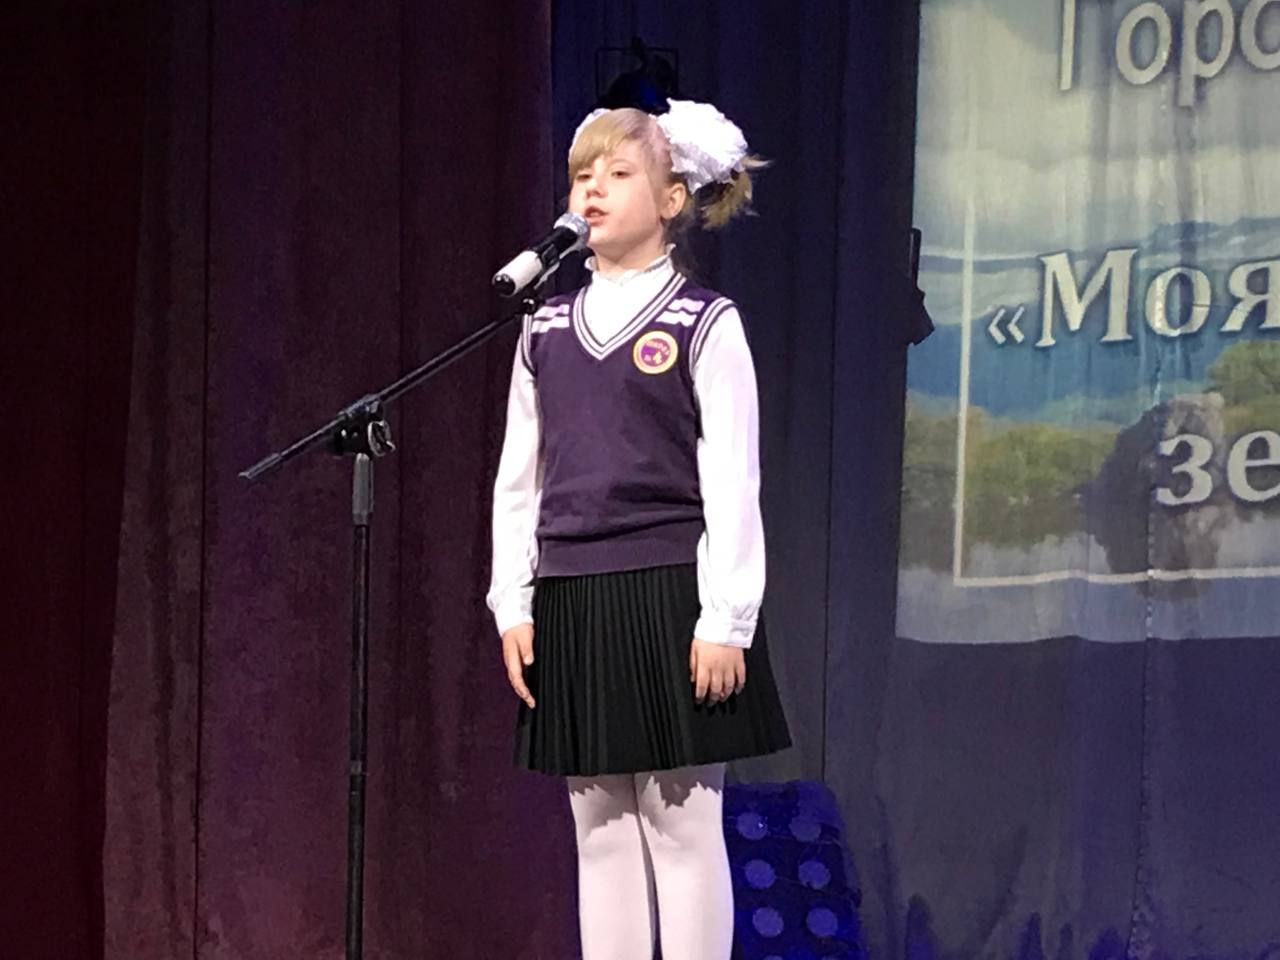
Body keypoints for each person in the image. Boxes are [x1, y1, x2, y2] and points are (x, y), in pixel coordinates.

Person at [486, 98, 791, 960]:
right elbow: (520, 479)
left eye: (619, 174)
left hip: (670, 590)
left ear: (670, 199)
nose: (593, 190)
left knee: (681, 827)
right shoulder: (544, 327)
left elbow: (733, 478)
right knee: (601, 831)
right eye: (582, 175)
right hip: (572, 594)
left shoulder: (704, 321)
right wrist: (513, 602)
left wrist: (726, 619)